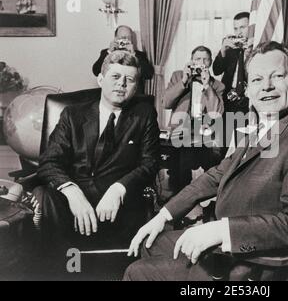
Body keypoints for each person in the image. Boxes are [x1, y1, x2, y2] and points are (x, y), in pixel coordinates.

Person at [123, 42, 288, 281]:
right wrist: (164, 214)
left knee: (137, 273)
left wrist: (221, 230)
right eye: (257, 80)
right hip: (232, 244)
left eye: (277, 76)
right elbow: (217, 174)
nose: (266, 86)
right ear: (248, 89)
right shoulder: (270, 126)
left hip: (253, 265)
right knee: (151, 242)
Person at [37, 51, 160, 251]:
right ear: (101, 79)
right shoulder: (72, 115)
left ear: (136, 87)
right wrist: (72, 192)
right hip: (72, 201)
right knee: (45, 196)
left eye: (129, 80)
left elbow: (150, 163)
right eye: (115, 77)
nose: (122, 84)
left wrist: (119, 189)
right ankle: (57, 266)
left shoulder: (144, 115)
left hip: (117, 204)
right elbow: (49, 161)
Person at [163, 46, 225, 196]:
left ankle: (207, 205)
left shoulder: (218, 85)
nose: (201, 63)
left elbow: (216, 113)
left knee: (212, 165)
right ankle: (177, 205)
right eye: (197, 59)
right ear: (191, 61)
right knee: (180, 169)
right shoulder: (178, 76)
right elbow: (166, 103)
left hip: (203, 131)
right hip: (181, 128)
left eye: (205, 59)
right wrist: (184, 80)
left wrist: (207, 86)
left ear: (210, 63)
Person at [92, 25, 154, 94]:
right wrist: (109, 52)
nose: (125, 40)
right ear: (115, 39)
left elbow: (148, 74)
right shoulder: (106, 52)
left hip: (134, 95)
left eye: (128, 37)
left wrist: (133, 54)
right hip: (111, 93)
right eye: (122, 37)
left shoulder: (139, 55)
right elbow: (96, 71)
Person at [213, 12, 252, 114]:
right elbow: (216, 70)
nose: (239, 32)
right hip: (228, 98)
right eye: (236, 28)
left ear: (251, 27)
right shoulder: (230, 48)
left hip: (248, 100)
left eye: (242, 27)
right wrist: (223, 50)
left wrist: (249, 54)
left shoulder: (256, 48)